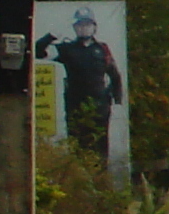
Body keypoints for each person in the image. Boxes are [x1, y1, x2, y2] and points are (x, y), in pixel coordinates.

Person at [47, 8, 124, 162]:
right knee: (77, 148)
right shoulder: (67, 49)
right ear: (75, 28)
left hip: (99, 108)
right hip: (75, 107)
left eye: (87, 24)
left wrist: (117, 101)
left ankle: (101, 181)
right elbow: (37, 51)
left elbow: (115, 76)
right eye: (80, 25)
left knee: (100, 149)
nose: (83, 28)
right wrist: (52, 35)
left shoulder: (102, 49)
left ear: (94, 27)